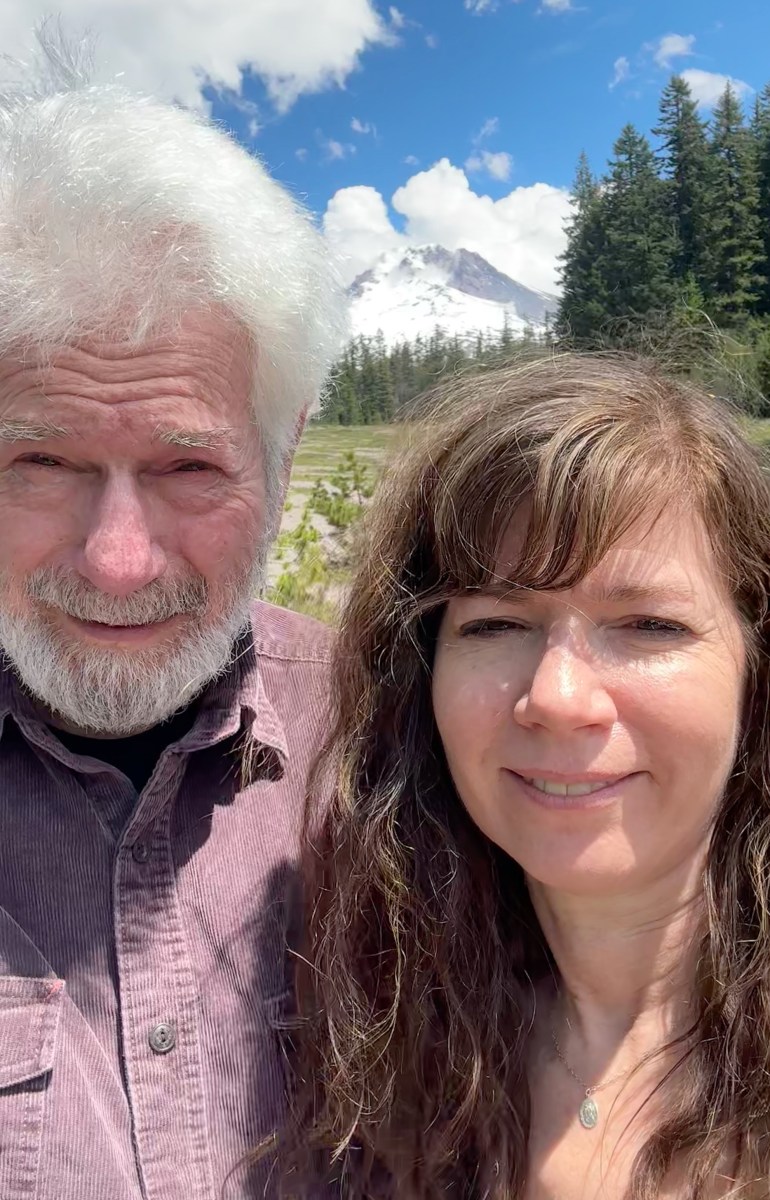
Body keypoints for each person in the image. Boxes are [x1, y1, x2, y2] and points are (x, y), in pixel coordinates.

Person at [292, 356, 770, 1199]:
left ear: (753, 670)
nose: (556, 697)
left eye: (649, 625)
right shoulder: (399, 1043)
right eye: (498, 622)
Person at [0, 29, 344, 1200]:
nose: (116, 561)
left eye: (190, 470)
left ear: (282, 461)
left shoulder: (414, 742)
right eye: (39, 460)